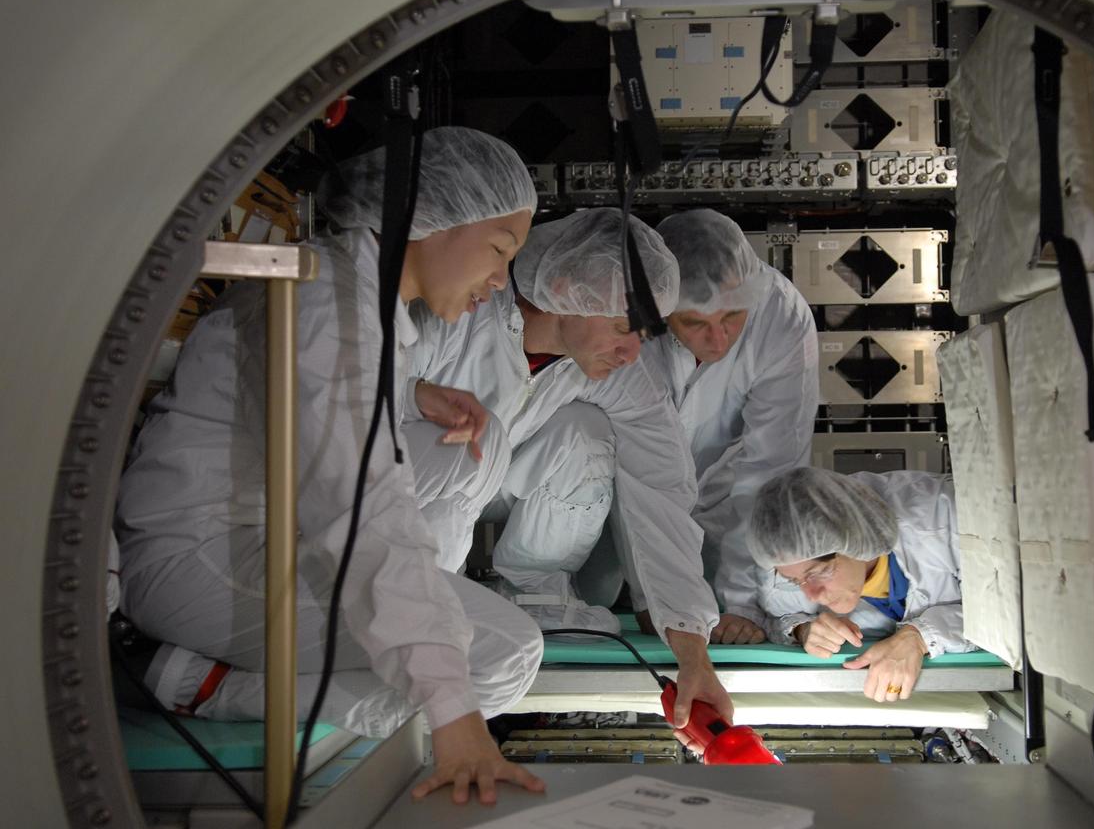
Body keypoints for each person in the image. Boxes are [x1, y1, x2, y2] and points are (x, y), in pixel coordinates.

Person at [115, 126, 546, 804]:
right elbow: (362, 509)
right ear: (425, 216)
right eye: (499, 250)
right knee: (499, 653)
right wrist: (456, 715)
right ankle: (212, 689)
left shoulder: (347, 292)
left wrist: (408, 393)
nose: (500, 281)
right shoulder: (332, 305)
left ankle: (203, 678)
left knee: (441, 601)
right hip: (197, 558)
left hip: (238, 533)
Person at [407, 208, 734, 735]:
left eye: (644, 334)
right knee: (461, 443)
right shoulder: (457, 318)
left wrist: (693, 653)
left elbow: (662, 493)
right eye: (624, 327)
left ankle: (535, 592)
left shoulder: (616, 371)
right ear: (564, 290)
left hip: (499, 483)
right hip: (405, 492)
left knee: (584, 432)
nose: (633, 352)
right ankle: (420, 597)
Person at [643, 209, 818, 645]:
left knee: (726, 608)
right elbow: (635, 461)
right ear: (661, 308)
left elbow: (770, 471)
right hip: (625, 497)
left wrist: (742, 604)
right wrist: (653, 597)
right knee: (610, 605)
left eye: (732, 318)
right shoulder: (631, 313)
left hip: (726, 495)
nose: (718, 341)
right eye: (695, 323)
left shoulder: (780, 315)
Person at [747, 467, 972, 702]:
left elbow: (1005, 610)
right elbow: (772, 618)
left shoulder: (945, 520)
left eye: (820, 572)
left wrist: (918, 637)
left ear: (856, 538)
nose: (811, 595)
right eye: (794, 580)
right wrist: (802, 629)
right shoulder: (781, 563)